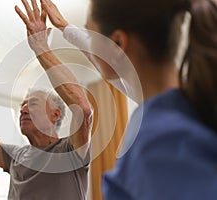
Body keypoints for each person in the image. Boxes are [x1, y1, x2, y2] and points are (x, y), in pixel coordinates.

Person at [40, 0, 217, 199]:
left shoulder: (161, 144)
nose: (90, 41)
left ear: (117, 43)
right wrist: (66, 27)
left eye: (91, 34)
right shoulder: (189, 106)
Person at [0, 0, 93, 199]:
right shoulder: (16, 157)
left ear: (55, 114)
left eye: (32, 103)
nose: (23, 109)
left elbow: (83, 109)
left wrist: (40, 48)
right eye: (22, 105)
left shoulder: (69, 152)